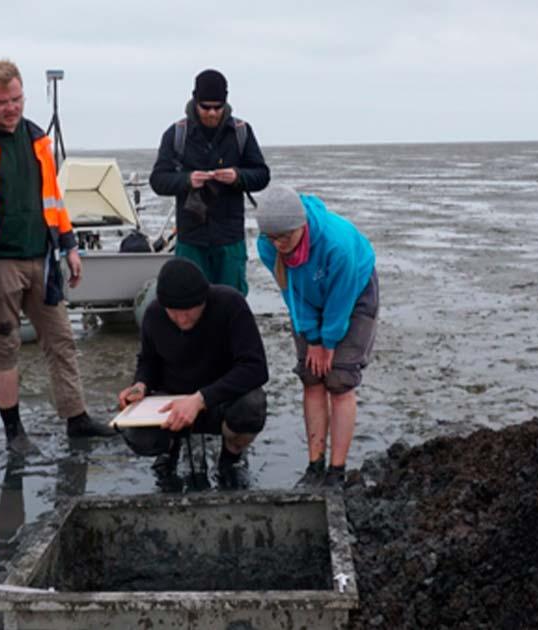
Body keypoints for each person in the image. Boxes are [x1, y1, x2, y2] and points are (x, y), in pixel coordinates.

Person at [0, 59, 114, 457]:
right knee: (4, 347)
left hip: (43, 260)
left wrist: (70, 247)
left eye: (17, 99)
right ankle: (13, 431)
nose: (11, 108)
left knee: (62, 341)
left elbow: (54, 200)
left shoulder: (38, 140)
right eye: (2, 102)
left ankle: (77, 419)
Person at [254, 184, 379, 488]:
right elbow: (291, 292)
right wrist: (311, 337)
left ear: (301, 226)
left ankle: (336, 471)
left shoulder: (336, 244)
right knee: (312, 377)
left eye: (285, 236)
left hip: (354, 294)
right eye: (273, 237)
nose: (279, 244)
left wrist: (329, 341)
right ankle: (315, 465)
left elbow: (342, 298)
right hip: (306, 299)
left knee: (339, 381)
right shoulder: (267, 246)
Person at [117, 259, 269, 490]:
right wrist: (141, 385)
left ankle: (231, 455)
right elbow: (148, 361)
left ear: (203, 301)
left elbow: (256, 368)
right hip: (173, 401)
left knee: (252, 406)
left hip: (221, 399)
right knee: (138, 435)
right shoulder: (154, 314)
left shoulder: (230, 304)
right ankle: (169, 449)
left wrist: (201, 399)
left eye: (189, 311)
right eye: (174, 313)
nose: (182, 319)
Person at [149, 69, 271, 295]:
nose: (212, 113)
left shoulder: (241, 132)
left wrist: (237, 176)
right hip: (191, 239)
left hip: (230, 239)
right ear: (195, 101)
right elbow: (158, 180)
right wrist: (187, 180)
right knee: (188, 300)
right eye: (206, 107)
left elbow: (262, 175)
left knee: (231, 301)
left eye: (218, 107)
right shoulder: (176, 134)